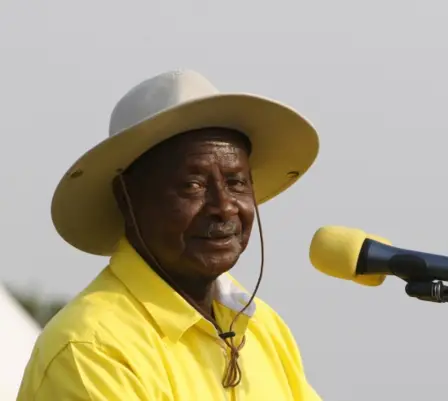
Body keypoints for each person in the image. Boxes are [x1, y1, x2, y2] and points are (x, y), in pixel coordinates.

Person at [17, 69, 321, 400]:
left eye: (237, 182)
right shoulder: (92, 348)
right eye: (193, 185)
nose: (224, 206)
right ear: (127, 197)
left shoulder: (265, 329)